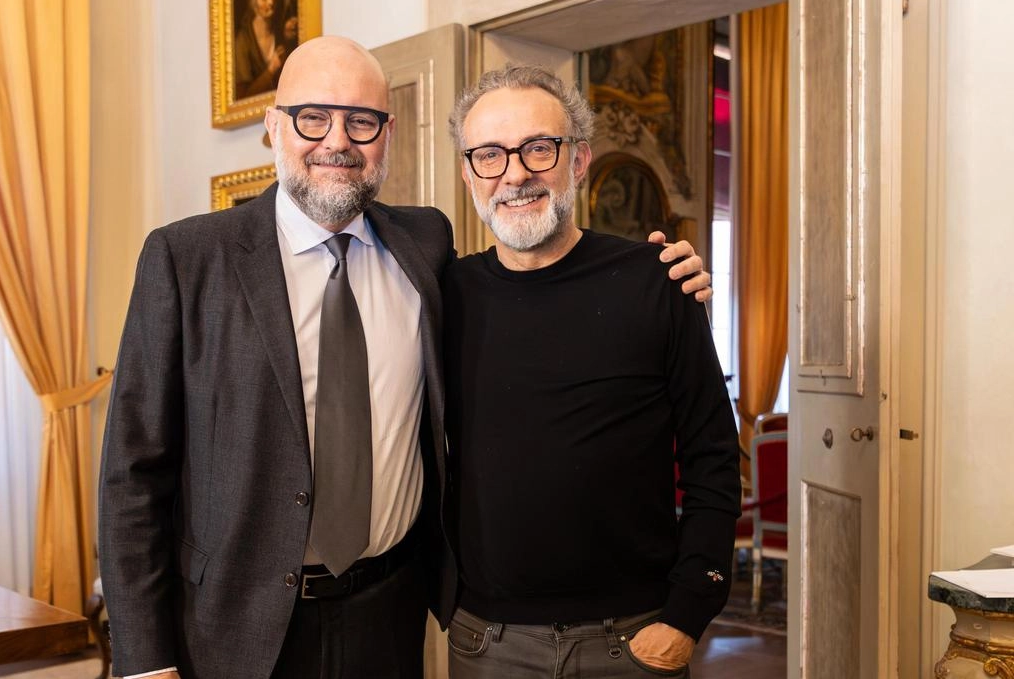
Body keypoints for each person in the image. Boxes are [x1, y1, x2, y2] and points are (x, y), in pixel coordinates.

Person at [99, 37, 710, 679]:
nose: (338, 140)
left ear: (387, 136)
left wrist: (673, 274)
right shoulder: (187, 258)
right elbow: (133, 474)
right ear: (273, 127)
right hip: (234, 623)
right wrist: (143, 658)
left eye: (361, 120)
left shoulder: (424, 246)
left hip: (389, 612)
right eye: (314, 117)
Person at [441, 64, 740, 679]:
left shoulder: (659, 281)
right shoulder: (442, 295)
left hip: (632, 640)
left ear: (578, 160)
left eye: (538, 149)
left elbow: (714, 456)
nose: (515, 174)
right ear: (469, 173)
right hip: (485, 642)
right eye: (490, 155)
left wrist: (687, 615)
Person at [234, 0, 297, 99]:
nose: (271, 2)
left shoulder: (279, 32)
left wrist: (288, 41)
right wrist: (271, 70)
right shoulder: (242, 42)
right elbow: (243, 97)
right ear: (253, 3)